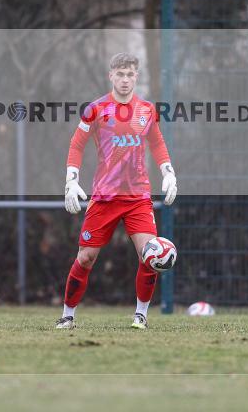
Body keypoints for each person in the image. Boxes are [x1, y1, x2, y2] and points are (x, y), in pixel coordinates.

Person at [56, 52, 177, 330]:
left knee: (149, 254)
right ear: (111, 75)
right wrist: (71, 180)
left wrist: (168, 173)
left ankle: (141, 315)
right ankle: (67, 315)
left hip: (137, 197)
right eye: (120, 74)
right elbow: (77, 145)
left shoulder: (146, 110)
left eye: (130, 74)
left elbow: (157, 144)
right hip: (105, 196)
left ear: (137, 76)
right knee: (86, 257)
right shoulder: (96, 109)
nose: (125, 79)